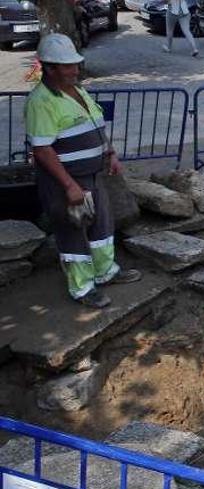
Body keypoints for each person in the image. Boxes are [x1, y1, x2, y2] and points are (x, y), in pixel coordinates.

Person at [25, 34, 141, 308]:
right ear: (50, 68)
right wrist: (69, 186)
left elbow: (95, 125)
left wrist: (110, 152)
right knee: (72, 231)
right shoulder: (40, 101)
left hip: (93, 174)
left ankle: (105, 271)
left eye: (75, 64)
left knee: (101, 223)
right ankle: (82, 288)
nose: (75, 69)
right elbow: (42, 150)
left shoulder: (77, 89)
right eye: (68, 66)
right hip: (66, 182)